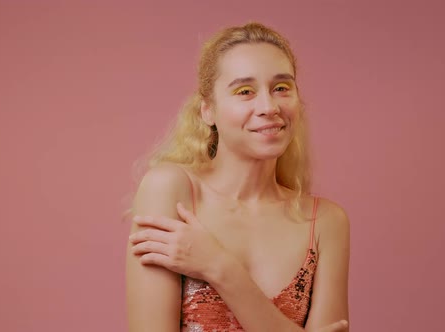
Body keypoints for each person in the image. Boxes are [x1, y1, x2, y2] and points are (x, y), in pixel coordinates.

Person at [125, 22, 350, 332]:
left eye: (281, 88)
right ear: (207, 111)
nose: (269, 107)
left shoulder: (325, 221)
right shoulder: (171, 189)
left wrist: (220, 267)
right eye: (245, 91)